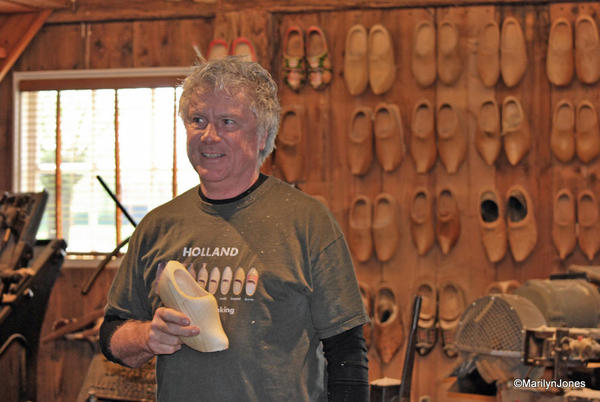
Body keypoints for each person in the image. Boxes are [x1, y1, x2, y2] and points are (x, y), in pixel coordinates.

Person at [99, 57, 370, 401]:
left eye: (227, 122)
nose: (209, 136)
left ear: (263, 136)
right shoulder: (158, 225)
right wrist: (146, 337)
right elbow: (111, 334)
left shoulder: (307, 221)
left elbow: (346, 351)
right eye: (198, 120)